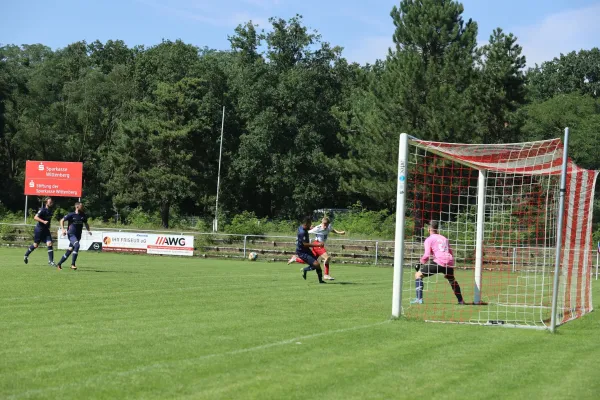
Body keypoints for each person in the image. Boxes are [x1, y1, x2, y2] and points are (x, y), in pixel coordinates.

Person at [411, 220, 465, 305]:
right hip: (449, 262)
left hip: (439, 261)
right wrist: (450, 264)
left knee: (418, 275)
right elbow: (450, 252)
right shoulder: (444, 238)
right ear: (437, 229)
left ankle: (419, 299)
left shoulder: (429, 239)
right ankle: (461, 301)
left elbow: (427, 255)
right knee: (452, 280)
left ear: (429, 229)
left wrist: (419, 263)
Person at [56, 202, 92, 270]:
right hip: (71, 234)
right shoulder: (71, 215)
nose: (83, 207)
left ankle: (59, 264)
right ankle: (73, 264)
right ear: (77, 207)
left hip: (78, 235)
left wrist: (88, 230)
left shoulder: (83, 215)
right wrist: (63, 229)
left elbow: (86, 223)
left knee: (69, 250)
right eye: (81, 206)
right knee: (77, 245)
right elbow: (62, 220)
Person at [24, 197, 56, 267]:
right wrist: (43, 221)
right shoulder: (42, 210)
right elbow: (35, 217)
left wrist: (48, 226)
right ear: (46, 203)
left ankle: (51, 261)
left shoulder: (50, 211)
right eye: (50, 202)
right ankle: (26, 255)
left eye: (51, 202)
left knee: (50, 244)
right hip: (39, 230)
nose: (51, 203)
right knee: (35, 245)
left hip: (46, 230)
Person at [296, 216, 326, 284]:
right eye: (310, 224)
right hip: (302, 252)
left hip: (306, 250)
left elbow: (306, 228)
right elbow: (305, 244)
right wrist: (318, 245)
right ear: (306, 224)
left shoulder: (301, 227)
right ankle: (305, 270)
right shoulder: (302, 232)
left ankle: (320, 280)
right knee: (316, 264)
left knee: (316, 264)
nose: (311, 225)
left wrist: (311, 228)